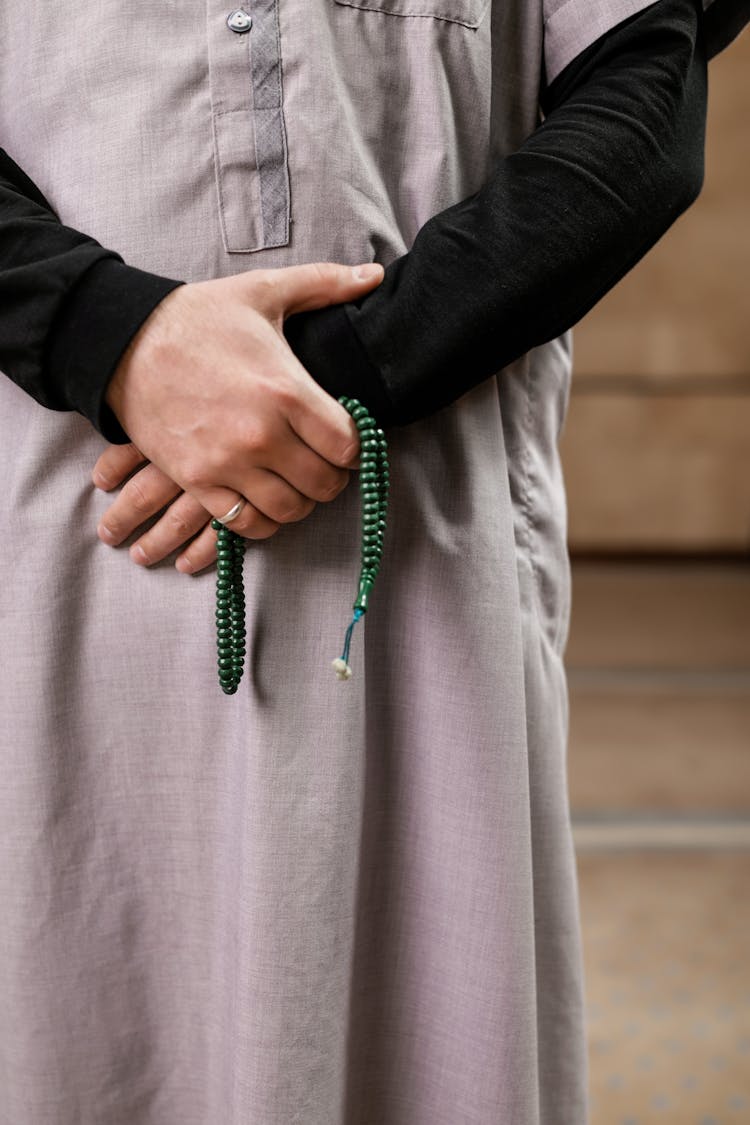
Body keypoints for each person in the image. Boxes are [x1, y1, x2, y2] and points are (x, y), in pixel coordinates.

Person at [0, 1, 744, 1121]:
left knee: (420, 1026)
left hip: (418, 553)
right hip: (49, 520)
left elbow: (647, 97)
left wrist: (349, 368)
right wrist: (103, 330)